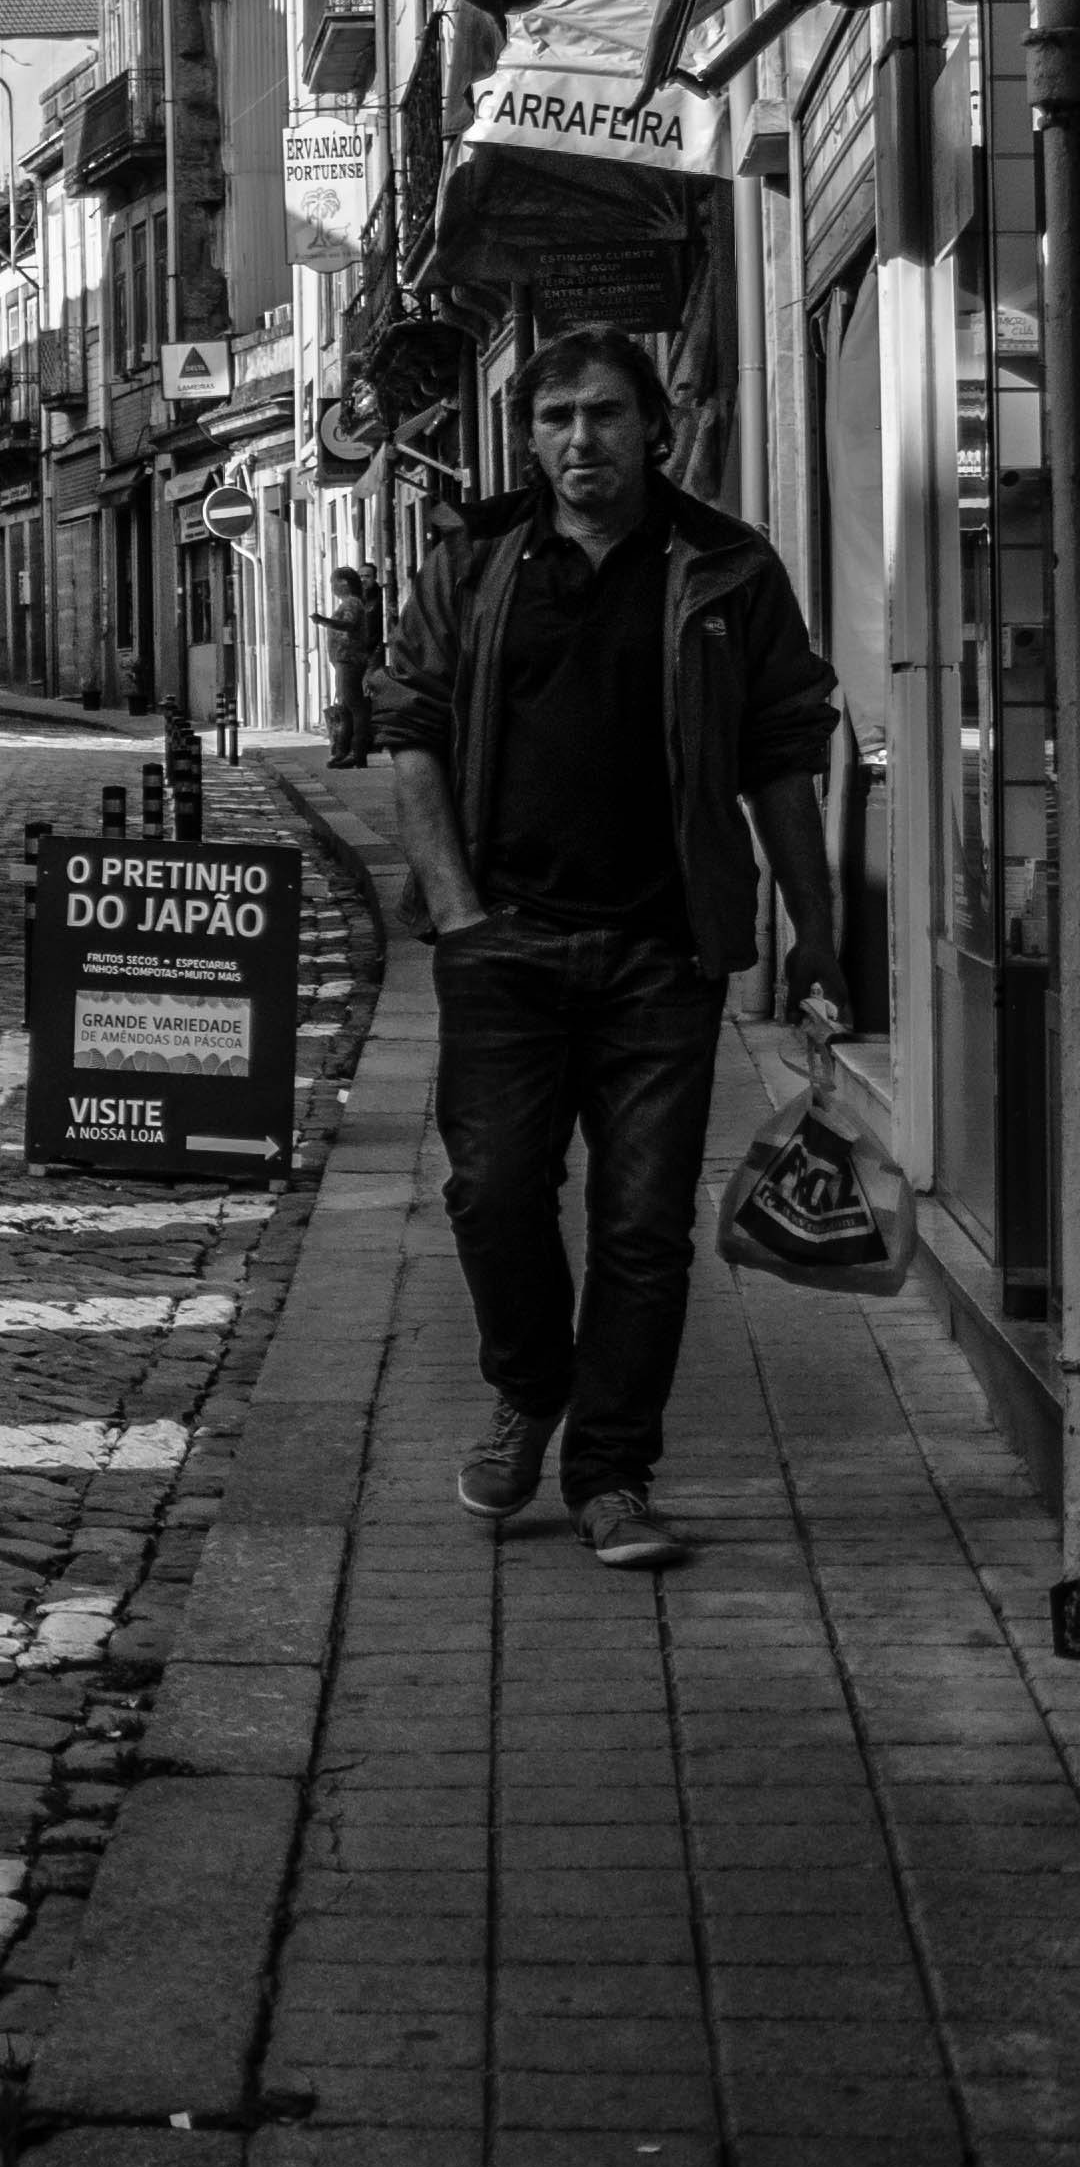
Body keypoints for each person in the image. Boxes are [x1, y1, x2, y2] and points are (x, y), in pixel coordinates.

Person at [369, 331, 847, 1575]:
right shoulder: (472, 562)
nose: (581, 438)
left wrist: (818, 932)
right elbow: (409, 728)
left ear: (658, 427)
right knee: (492, 1192)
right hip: (504, 946)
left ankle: (613, 1475)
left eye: (607, 413)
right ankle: (531, 1385)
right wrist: (458, 913)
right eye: (556, 416)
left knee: (643, 1227)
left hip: (661, 955)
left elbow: (783, 753)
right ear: (527, 436)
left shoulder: (731, 569)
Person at [321, 563, 385, 768]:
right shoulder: (351, 602)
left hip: (350, 659)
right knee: (346, 707)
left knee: (355, 706)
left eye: (335, 582)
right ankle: (343, 751)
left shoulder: (352, 603)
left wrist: (323, 621)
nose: (332, 587)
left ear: (345, 584)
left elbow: (349, 625)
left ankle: (357, 752)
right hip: (344, 659)